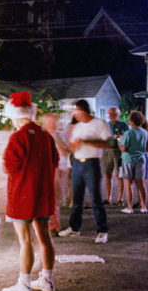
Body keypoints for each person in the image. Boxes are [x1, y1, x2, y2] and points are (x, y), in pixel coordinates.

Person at [1, 92, 59, 291]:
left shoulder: (18, 137)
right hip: (44, 194)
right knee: (45, 237)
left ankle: (24, 285)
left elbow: (9, 166)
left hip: (22, 195)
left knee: (25, 240)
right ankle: (47, 280)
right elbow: (55, 160)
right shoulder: (45, 135)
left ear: (16, 116)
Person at [58, 99, 111, 243]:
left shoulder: (100, 124)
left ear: (83, 111)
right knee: (77, 199)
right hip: (77, 163)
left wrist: (86, 142)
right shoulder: (78, 126)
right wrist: (72, 146)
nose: (74, 114)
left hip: (91, 163)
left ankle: (102, 230)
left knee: (95, 198)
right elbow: (73, 146)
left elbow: (108, 143)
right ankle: (74, 228)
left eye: (75, 111)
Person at [40, 113, 70, 235]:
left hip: (58, 169)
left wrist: (58, 142)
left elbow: (66, 154)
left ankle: (53, 225)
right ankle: (44, 224)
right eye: (50, 123)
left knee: (54, 199)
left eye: (54, 122)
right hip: (44, 170)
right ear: (44, 124)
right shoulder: (41, 136)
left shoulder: (60, 136)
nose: (53, 125)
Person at [118, 110, 148, 213]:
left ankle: (130, 207)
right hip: (141, 159)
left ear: (131, 121)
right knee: (141, 184)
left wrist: (119, 141)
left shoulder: (128, 133)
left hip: (128, 159)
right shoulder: (145, 132)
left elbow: (124, 148)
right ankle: (143, 206)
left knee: (128, 183)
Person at [101, 107, 129, 205]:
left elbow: (128, 137)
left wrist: (121, 137)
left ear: (118, 114)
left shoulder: (124, 125)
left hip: (119, 152)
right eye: (110, 114)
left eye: (114, 114)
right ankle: (108, 198)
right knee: (107, 174)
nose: (112, 116)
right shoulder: (106, 125)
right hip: (107, 151)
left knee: (119, 175)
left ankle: (120, 199)